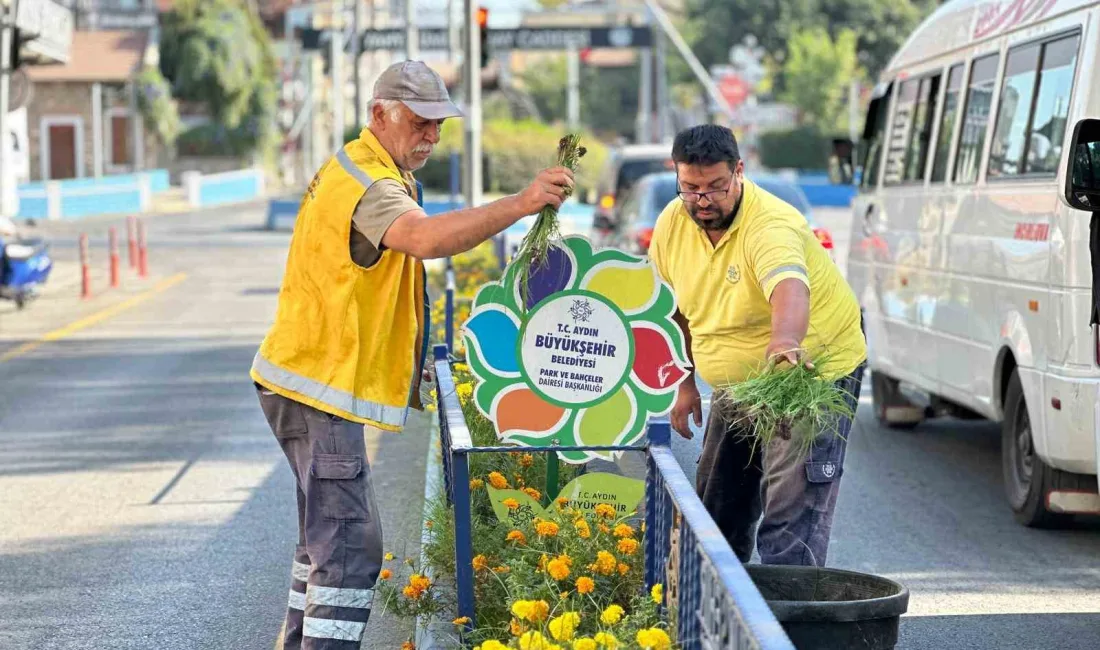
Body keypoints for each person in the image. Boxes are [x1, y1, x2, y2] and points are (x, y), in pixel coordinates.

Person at [250, 60, 574, 650]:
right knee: (349, 549)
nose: (430, 139)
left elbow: (370, 288)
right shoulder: (369, 184)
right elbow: (425, 241)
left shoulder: (370, 169)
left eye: (438, 127)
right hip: (315, 386)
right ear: (379, 114)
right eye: (419, 123)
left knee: (321, 544)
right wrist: (522, 203)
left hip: (302, 378)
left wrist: (413, 357)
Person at [647, 124, 866, 567]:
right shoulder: (672, 222)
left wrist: (785, 341)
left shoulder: (770, 225)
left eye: (715, 187)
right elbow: (670, 308)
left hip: (804, 372)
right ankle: (719, 619)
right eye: (690, 188)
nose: (703, 200)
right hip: (741, 379)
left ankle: (785, 622)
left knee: (789, 511)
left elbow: (789, 287)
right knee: (719, 504)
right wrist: (684, 382)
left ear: (739, 172)